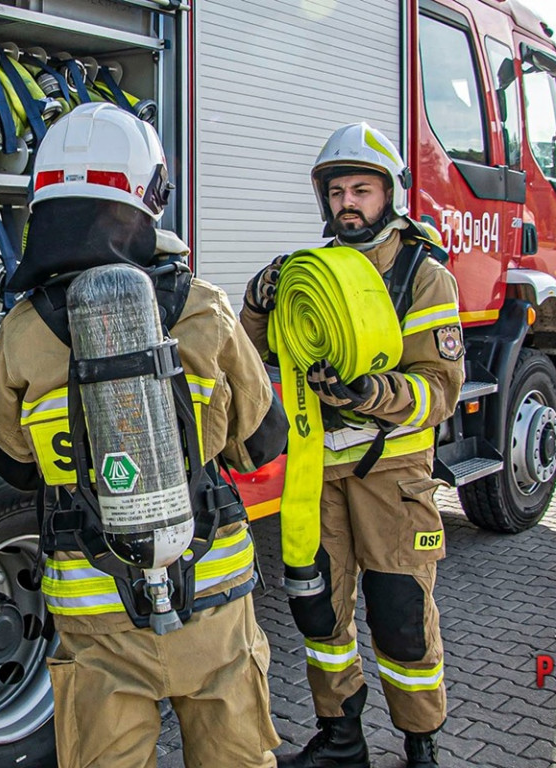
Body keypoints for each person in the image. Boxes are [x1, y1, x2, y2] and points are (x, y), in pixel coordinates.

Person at [0, 102, 287, 767]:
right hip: (211, 595)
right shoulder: (204, 306)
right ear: (148, 195)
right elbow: (263, 443)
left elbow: (11, 463)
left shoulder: (23, 331)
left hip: (95, 614)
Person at [240, 123, 464, 768]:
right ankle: (342, 738)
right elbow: (253, 355)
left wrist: (369, 392)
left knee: (398, 612)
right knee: (318, 614)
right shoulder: (305, 275)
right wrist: (258, 302)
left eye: (361, 189)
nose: (347, 203)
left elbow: (438, 391)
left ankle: (421, 741)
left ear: (388, 193)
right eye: (336, 191)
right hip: (316, 476)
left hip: (394, 473)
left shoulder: (423, 278)